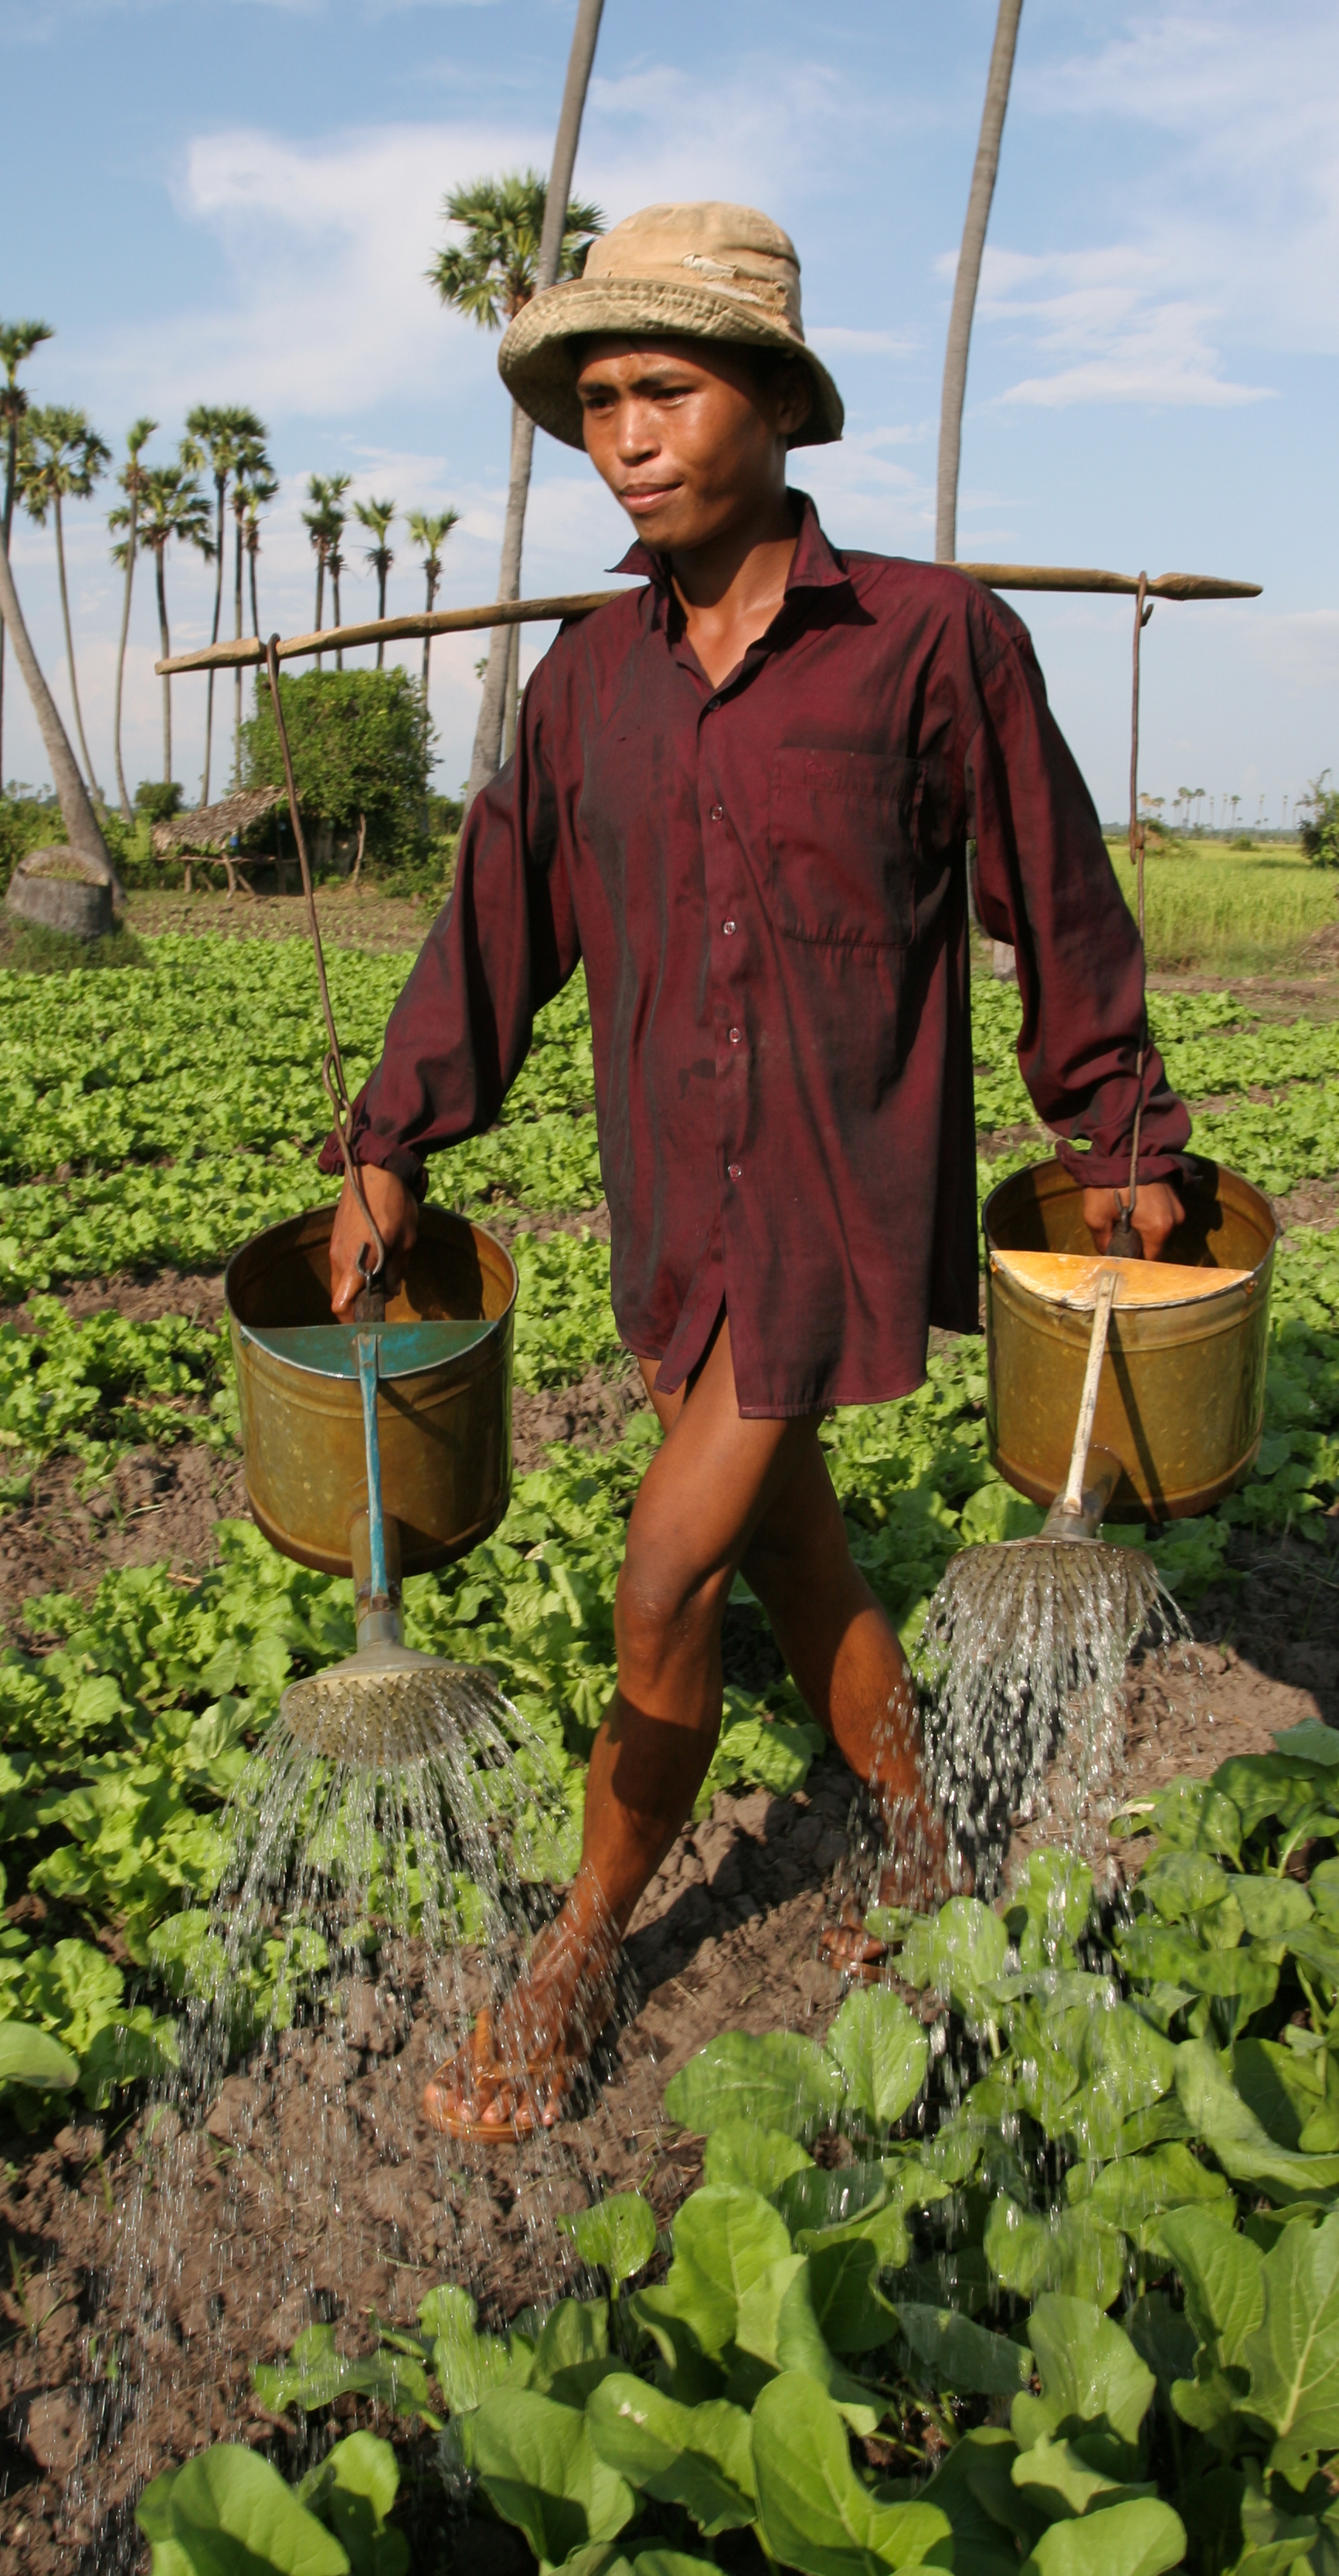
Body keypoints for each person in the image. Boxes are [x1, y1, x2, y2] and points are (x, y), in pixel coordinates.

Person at [321, 202, 1189, 2140]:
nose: (628, 430)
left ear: (778, 406)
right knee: (793, 1546)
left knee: (662, 1578)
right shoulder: (585, 687)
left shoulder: (932, 644)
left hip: (832, 1191)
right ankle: (927, 1839)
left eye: (670, 387)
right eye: (601, 399)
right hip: (670, 1202)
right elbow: (493, 931)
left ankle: (572, 1956)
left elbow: (1057, 898)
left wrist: (1115, 1128)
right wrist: (390, 1144)